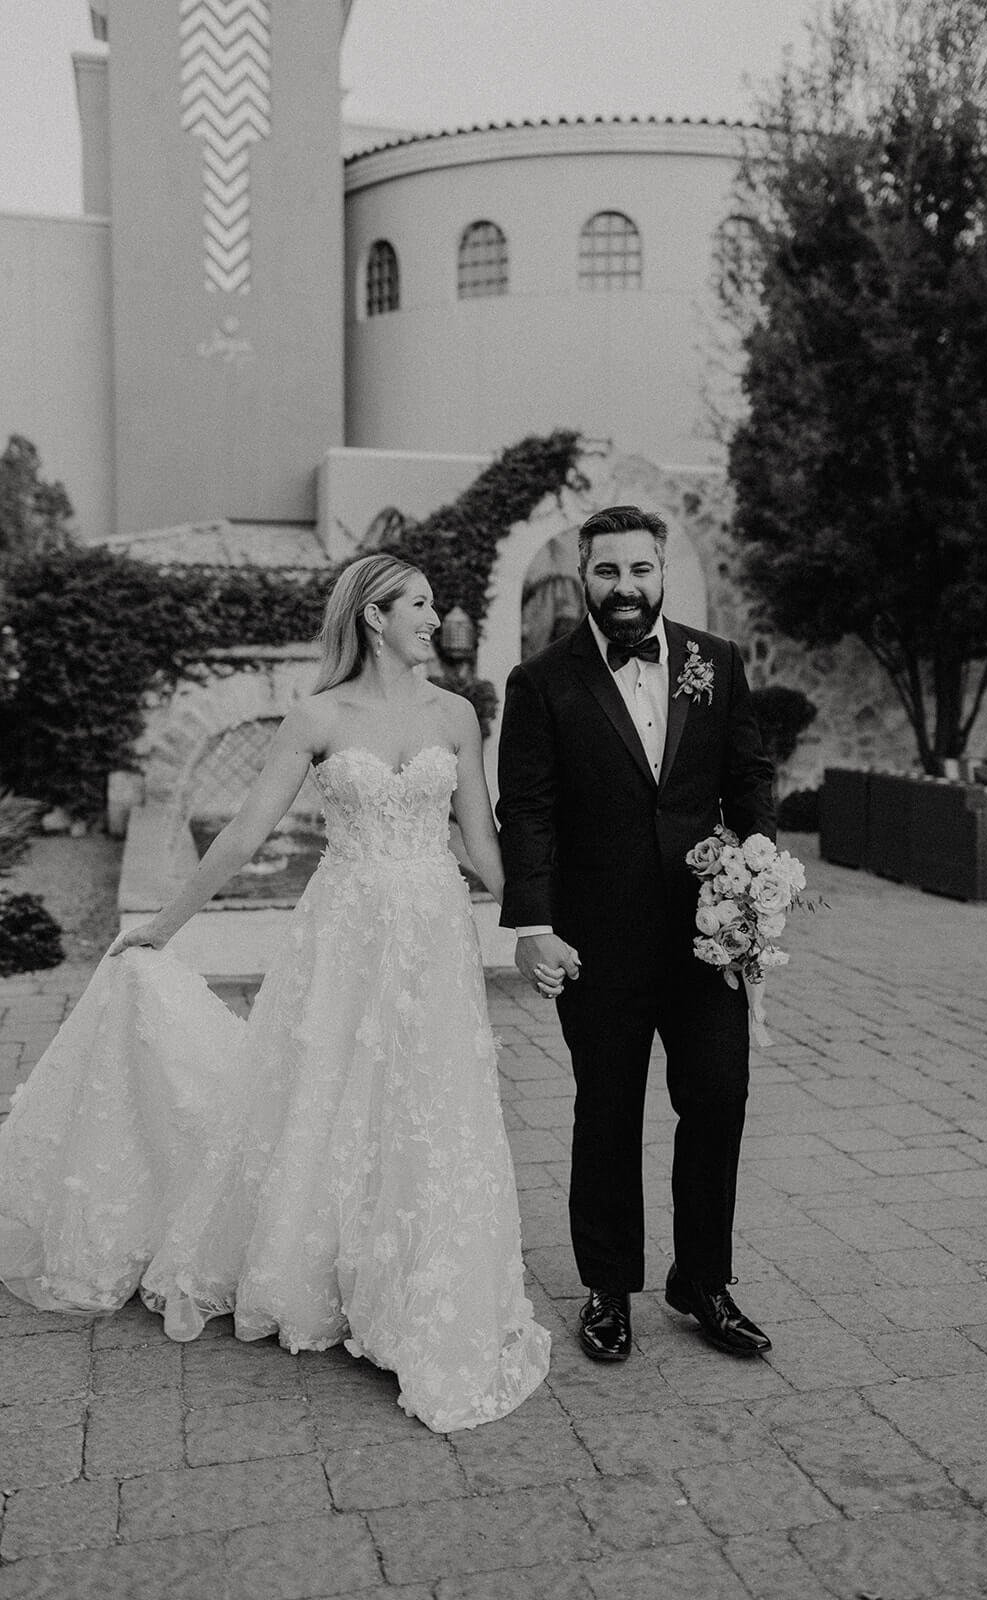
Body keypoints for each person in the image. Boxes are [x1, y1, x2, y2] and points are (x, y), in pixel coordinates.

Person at [0, 554, 550, 1432]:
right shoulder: (317, 716)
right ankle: (320, 1265)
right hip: (345, 929)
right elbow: (248, 830)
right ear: (374, 616)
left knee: (425, 1099)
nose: (434, 617)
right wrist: (168, 925)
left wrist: (540, 922)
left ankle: (414, 1270)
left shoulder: (457, 714)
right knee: (326, 1089)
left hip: (431, 935)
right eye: (419, 604)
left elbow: (480, 843)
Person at [497, 505, 776, 1364]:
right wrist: (535, 925)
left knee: (718, 1100)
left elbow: (747, 776)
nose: (625, 588)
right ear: (584, 575)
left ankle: (702, 1282)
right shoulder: (541, 682)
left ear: (663, 573)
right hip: (598, 941)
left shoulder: (713, 662)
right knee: (608, 1113)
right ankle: (608, 1288)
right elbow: (529, 811)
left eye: (640, 571)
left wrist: (757, 876)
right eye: (608, 572)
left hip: (705, 941)